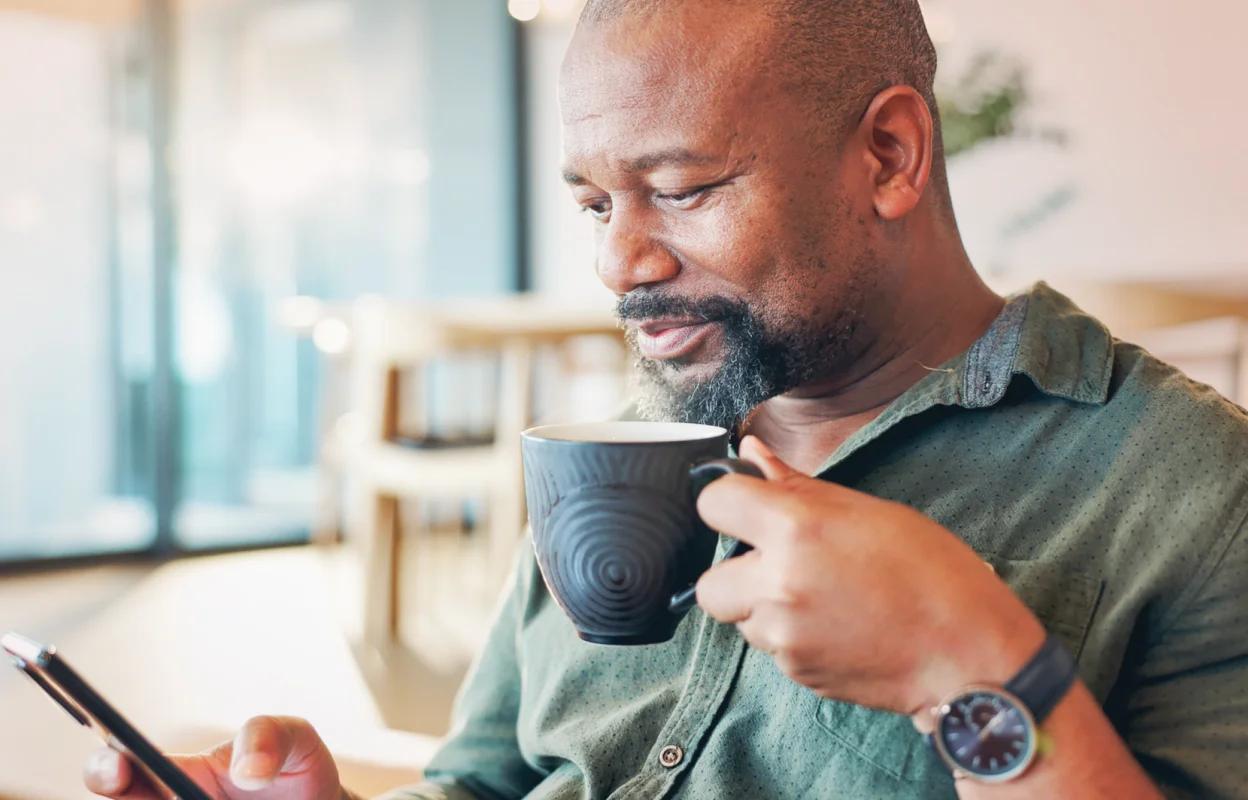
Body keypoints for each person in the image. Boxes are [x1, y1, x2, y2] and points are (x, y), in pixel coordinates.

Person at [86, 1, 1248, 798]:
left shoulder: (1189, 489)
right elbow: (485, 774)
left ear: (890, 155)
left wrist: (972, 663)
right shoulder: (622, 437)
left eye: (682, 189)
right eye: (597, 203)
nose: (619, 262)